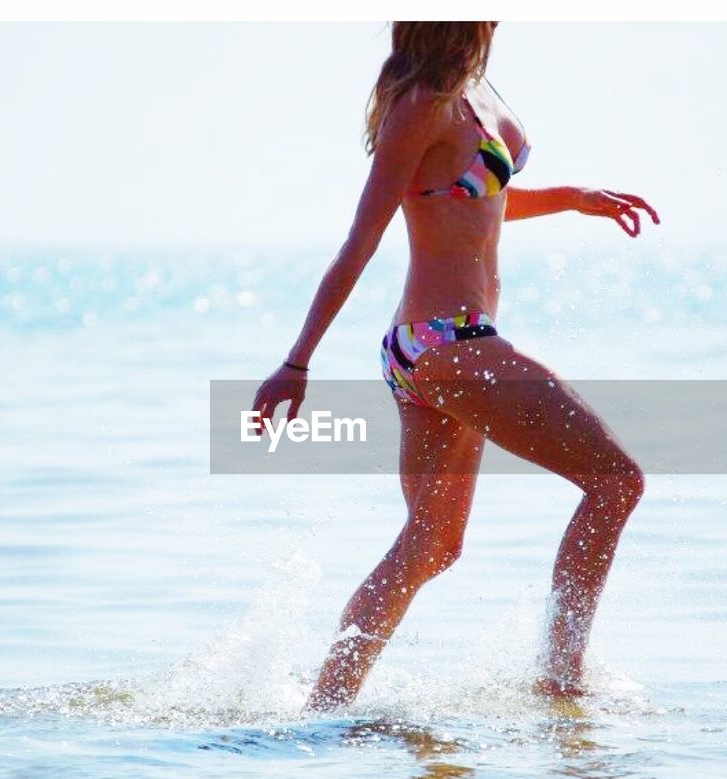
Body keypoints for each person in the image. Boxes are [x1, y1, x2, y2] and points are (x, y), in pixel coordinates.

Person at [250, 21, 659, 711]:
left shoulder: (475, 93)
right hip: (445, 341)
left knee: (432, 545)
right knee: (616, 481)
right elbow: (363, 236)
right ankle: (561, 681)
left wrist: (573, 198)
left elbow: (482, 201)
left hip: (438, 348)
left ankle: (324, 708)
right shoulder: (421, 105)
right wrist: (296, 361)